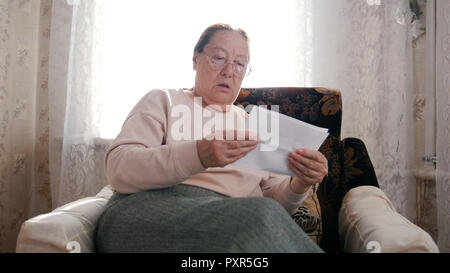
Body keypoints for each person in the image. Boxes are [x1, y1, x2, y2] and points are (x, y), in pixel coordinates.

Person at [95, 23, 328, 253]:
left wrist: (301, 183)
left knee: (262, 214)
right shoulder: (163, 100)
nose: (229, 71)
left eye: (239, 64)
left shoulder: (259, 125)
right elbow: (118, 168)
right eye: (218, 58)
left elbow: (276, 213)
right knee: (259, 213)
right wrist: (199, 154)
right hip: (147, 210)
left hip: (235, 218)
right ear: (196, 60)